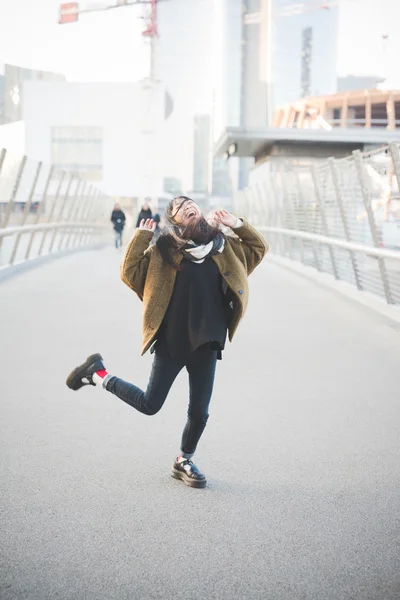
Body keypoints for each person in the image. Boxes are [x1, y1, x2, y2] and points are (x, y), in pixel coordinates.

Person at [66, 196, 268, 488]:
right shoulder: (163, 251)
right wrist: (141, 237)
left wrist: (236, 224)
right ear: (175, 219)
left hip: (207, 343)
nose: (188, 205)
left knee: (200, 413)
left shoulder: (225, 247)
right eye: (179, 206)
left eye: (191, 202)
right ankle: (97, 373)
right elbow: (129, 273)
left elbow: (259, 249)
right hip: (172, 341)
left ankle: (184, 460)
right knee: (150, 404)